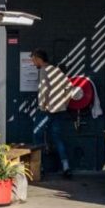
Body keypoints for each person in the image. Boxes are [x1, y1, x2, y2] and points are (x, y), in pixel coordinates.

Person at [31, 49, 79, 178]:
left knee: (37, 134)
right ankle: (66, 167)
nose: (32, 62)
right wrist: (65, 103)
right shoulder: (56, 70)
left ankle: (38, 167)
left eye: (33, 59)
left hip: (47, 110)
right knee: (57, 137)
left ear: (38, 59)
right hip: (59, 110)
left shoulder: (43, 70)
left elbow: (44, 89)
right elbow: (70, 87)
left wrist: (45, 104)